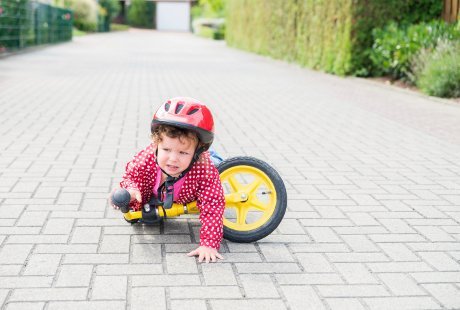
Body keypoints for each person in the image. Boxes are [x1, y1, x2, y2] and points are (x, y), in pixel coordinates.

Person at [110, 97, 225, 263]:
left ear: (197, 153)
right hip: (163, 192)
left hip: (205, 167)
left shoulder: (203, 169)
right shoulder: (147, 160)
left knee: (217, 165)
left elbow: (213, 204)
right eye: (166, 149)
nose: (173, 159)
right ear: (155, 145)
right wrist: (130, 190)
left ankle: (215, 156)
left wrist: (209, 243)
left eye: (183, 153)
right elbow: (132, 177)